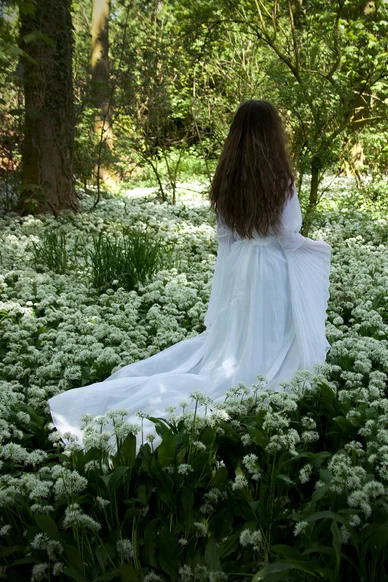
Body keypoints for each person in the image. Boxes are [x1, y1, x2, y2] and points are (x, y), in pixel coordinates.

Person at [48, 99, 331, 450]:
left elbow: (225, 238)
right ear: (274, 135)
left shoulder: (228, 177)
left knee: (238, 335)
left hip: (241, 268)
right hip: (270, 269)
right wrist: (317, 250)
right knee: (267, 334)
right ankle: (256, 373)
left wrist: (228, 287)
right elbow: (288, 237)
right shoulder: (281, 181)